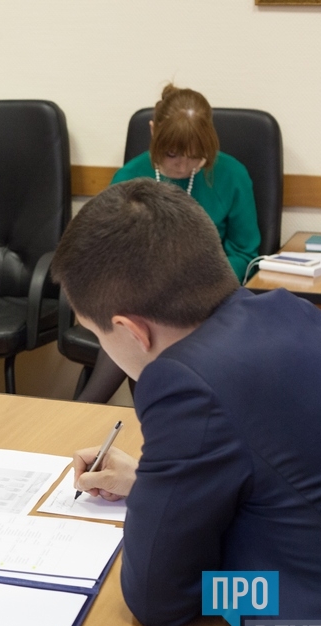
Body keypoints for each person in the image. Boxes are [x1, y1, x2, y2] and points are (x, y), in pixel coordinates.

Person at [52, 179, 321, 626]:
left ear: (132, 330)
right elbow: (283, 473)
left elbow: (160, 599)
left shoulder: (184, 380)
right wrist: (149, 484)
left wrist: (213, 570)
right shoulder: (284, 309)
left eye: (98, 335)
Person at [77, 85, 261, 403]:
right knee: (137, 325)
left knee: (146, 332)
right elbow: (108, 255)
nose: (182, 166)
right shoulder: (129, 177)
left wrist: (198, 283)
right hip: (142, 296)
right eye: (172, 154)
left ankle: (85, 410)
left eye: (195, 155)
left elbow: (245, 252)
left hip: (209, 296)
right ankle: (106, 412)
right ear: (153, 131)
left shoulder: (232, 175)